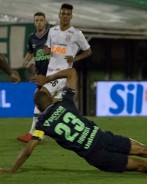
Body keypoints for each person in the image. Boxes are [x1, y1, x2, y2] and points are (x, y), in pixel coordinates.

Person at [0, 68, 147, 175]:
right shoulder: (64, 102)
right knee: (145, 149)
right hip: (102, 138)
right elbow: (72, 71)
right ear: (50, 97)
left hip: (96, 154)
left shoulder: (41, 125)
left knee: (142, 166)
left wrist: (12, 170)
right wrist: (47, 79)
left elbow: (28, 150)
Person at [17, 3, 92, 143]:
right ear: (59, 14)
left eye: (68, 14)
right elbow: (49, 47)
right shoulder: (53, 31)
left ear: (71, 16)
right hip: (50, 73)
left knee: (41, 95)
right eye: (63, 13)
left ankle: (33, 133)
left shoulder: (76, 33)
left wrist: (75, 58)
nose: (65, 16)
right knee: (54, 104)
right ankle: (58, 131)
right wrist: (46, 49)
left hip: (63, 74)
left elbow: (88, 51)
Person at [17, 12, 51, 142]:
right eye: (36, 20)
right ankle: (44, 132)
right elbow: (31, 52)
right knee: (48, 103)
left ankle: (33, 133)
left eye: (41, 20)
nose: (39, 23)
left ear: (45, 22)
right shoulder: (31, 38)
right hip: (40, 75)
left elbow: (59, 50)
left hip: (52, 74)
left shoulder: (51, 35)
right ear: (34, 22)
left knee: (39, 99)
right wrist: (26, 61)